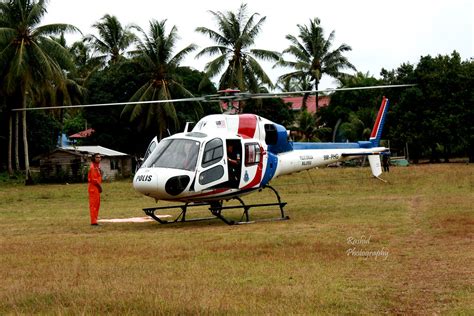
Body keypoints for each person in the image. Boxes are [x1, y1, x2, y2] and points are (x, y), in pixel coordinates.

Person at [88, 153, 103, 225]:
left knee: (97, 205)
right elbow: (94, 180)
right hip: (94, 188)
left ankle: (95, 219)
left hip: (96, 188)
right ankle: (93, 222)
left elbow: (99, 176)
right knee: (93, 205)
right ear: (94, 158)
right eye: (97, 157)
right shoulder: (93, 167)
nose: (99, 158)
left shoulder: (97, 167)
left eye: (100, 157)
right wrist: (100, 187)